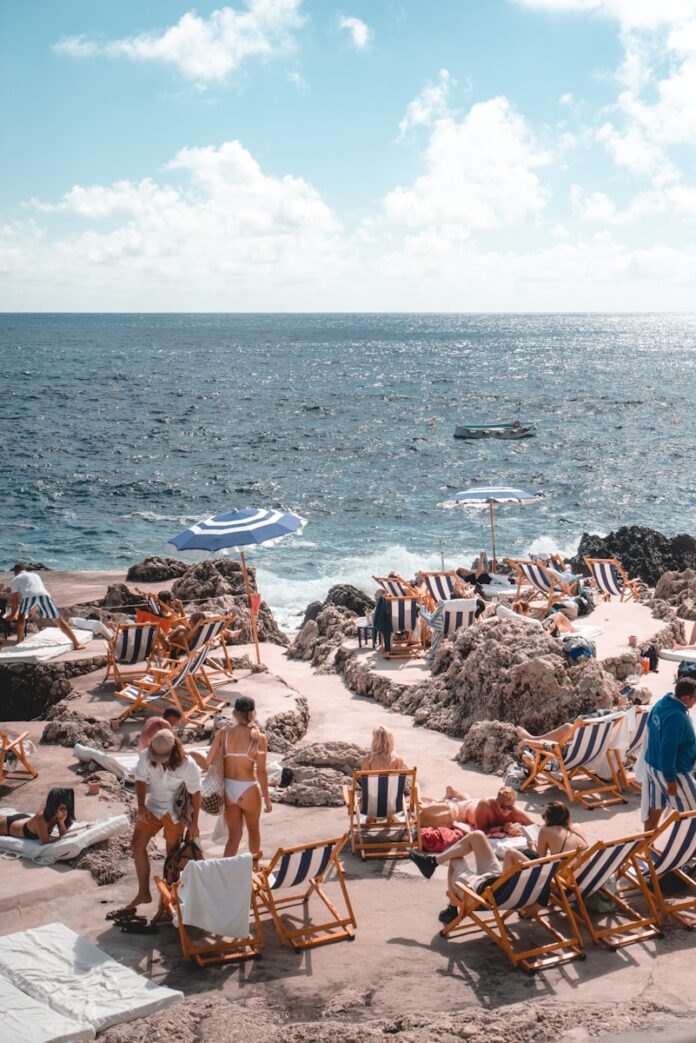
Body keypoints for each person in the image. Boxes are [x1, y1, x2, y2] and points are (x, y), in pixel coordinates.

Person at [119, 730, 201, 915]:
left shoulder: (188, 764)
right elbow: (140, 779)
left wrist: (194, 824)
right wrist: (140, 806)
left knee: (172, 855)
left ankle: (170, 900)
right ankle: (143, 893)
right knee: (137, 846)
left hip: (176, 812)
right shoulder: (146, 756)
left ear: (174, 750)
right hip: (153, 807)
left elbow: (196, 793)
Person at [410, 829, 538, 924]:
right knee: (477, 835)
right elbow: (534, 908)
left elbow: (511, 853)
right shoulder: (542, 880)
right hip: (498, 879)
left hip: (484, 892)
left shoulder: (532, 869)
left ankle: (453, 907)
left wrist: (532, 864)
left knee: (454, 857)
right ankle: (432, 862)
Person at [203, 696, 271, 859]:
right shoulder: (258, 738)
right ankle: (254, 868)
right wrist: (267, 798)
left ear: (234, 713)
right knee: (253, 830)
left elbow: (208, 761)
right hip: (248, 788)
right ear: (253, 713)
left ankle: (227, 871)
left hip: (228, 789)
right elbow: (261, 771)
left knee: (234, 836)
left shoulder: (224, 733)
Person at [642, 676, 696, 831]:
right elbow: (668, 749)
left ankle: (647, 844)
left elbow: (650, 729)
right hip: (674, 772)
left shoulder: (662, 703)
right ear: (686, 698)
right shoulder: (677, 717)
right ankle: (685, 847)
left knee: (656, 808)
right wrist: (670, 779)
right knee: (692, 812)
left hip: (653, 766)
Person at [7, 564, 84, 649]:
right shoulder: (35, 575)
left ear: (15, 572)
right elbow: (35, 590)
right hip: (44, 595)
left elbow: (15, 600)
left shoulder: (15, 580)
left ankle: (19, 641)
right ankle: (77, 643)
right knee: (58, 620)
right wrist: (33, 609)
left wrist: (12, 615)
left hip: (28, 597)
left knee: (21, 618)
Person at [418, 785, 534, 831]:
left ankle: (453, 792)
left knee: (468, 801)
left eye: (510, 807)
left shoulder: (514, 811)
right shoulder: (485, 806)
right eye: (503, 806)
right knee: (434, 814)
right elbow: (481, 830)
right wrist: (502, 829)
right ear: (496, 801)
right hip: (464, 811)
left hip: (473, 806)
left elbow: (534, 826)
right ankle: (422, 796)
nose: (507, 810)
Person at [0, 787, 75, 844]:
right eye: (62, 808)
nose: (65, 810)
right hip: (8, 825)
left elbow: (62, 834)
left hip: (25, 820)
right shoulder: (41, 817)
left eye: (65, 808)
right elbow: (45, 841)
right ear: (54, 804)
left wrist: (61, 821)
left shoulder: (59, 813)